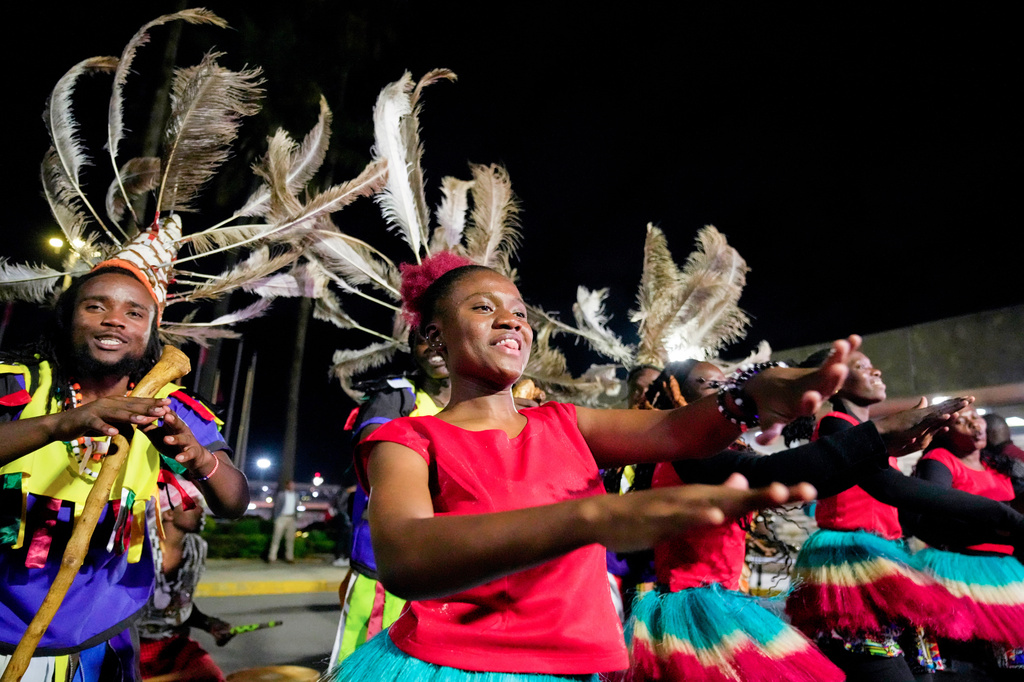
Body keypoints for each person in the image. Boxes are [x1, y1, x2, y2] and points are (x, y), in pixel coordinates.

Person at [326, 251, 891, 681]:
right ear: (433, 339)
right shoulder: (406, 437)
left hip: (581, 661)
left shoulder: (564, 422)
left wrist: (751, 397)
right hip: (455, 664)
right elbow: (405, 557)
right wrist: (590, 519)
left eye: (520, 313)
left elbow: (677, 430)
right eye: (484, 308)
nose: (512, 321)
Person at [623, 358, 970, 682]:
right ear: (676, 394)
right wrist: (878, 433)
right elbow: (774, 472)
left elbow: (811, 483)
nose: (722, 389)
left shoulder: (713, 454)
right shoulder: (686, 452)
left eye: (724, 382)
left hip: (727, 600)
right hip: (690, 610)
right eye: (707, 383)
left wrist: (881, 448)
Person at [0, 266, 248, 681]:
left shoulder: (171, 406)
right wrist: (63, 423)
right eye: (95, 306)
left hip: (103, 637)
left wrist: (199, 458)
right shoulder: (16, 381)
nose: (114, 319)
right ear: (67, 318)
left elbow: (234, 500)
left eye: (135, 313)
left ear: (151, 332)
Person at [785, 350, 1024, 682]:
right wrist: (1004, 517)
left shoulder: (869, 433)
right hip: (852, 561)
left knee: (923, 671)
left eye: (872, 364)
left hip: (888, 557)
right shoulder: (836, 425)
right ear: (833, 383)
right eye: (861, 367)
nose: (877, 371)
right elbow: (893, 489)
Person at [329, 332, 450, 665]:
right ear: (411, 348)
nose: (434, 347)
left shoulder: (486, 403)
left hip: (453, 564)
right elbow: (375, 458)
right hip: (386, 565)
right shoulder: (395, 395)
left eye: (444, 336)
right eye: (424, 338)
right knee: (369, 662)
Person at [910, 408, 1024, 677]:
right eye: (962, 421)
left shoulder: (998, 465)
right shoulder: (939, 460)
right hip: (960, 568)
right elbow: (932, 516)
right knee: (973, 665)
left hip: (1005, 572)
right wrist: (996, 528)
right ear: (944, 432)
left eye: (976, 415)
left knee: (1012, 664)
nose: (974, 423)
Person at [138, 477, 232, 682]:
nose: (201, 511)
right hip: (131, 646)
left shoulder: (196, 548)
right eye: (192, 504)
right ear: (169, 512)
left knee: (211, 676)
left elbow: (178, 603)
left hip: (174, 644)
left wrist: (209, 624)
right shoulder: (138, 547)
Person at [269, 480, 298, 563]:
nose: (293, 486)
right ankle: (272, 557)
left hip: (291, 518)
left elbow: (296, 507)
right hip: (281, 517)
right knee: (276, 538)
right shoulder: (281, 495)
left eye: (293, 485)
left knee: (290, 539)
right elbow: (276, 507)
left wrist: (296, 517)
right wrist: (276, 518)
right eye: (291, 485)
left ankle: (289, 557)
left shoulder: (296, 496)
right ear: (287, 486)